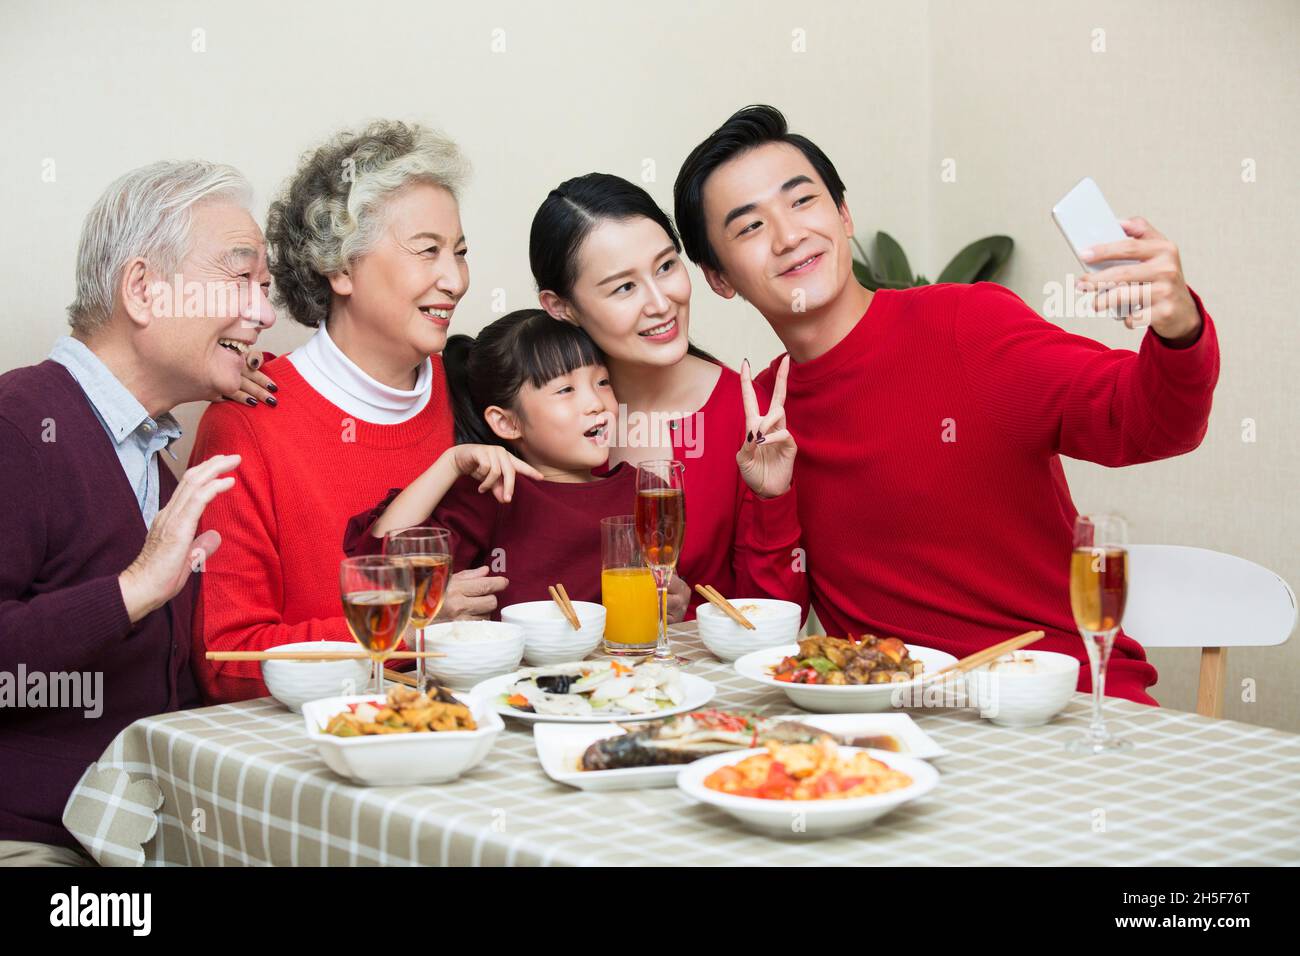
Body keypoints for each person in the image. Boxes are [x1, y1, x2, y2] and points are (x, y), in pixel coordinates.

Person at [671, 105, 1221, 705]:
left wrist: (1178, 327)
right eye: (749, 227)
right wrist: (772, 500)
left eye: (802, 201)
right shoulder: (763, 419)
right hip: (908, 729)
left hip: (1064, 704)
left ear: (844, 214)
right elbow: (770, 631)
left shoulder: (965, 326)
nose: (788, 236)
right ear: (719, 277)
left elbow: (1147, 425)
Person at [0, 160, 273, 864]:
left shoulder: (153, 461)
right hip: (36, 842)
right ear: (145, 291)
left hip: (133, 838)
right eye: (240, 279)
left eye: (265, 290)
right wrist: (133, 590)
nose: (266, 314)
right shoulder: (18, 423)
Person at [190, 121, 503, 703]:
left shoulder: (472, 385)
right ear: (339, 268)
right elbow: (227, 659)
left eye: (460, 252)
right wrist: (409, 629)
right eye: (427, 251)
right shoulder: (248, 421)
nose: (456, 279)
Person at [530, 174, 807, 617]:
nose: (661, 302)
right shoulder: (541, 416)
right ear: (561, 307)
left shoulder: (744, 410)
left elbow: (775, 621)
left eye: (665, 266)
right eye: (624, 287)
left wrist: (772, 502)